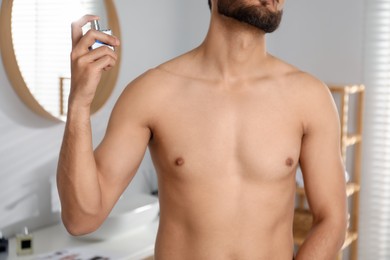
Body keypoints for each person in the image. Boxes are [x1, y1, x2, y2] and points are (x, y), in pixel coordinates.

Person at [57, 0, 347, 259]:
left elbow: (332, 220)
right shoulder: (152, 94)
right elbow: (82, 217)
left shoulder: (310, 98)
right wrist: (79, 103)